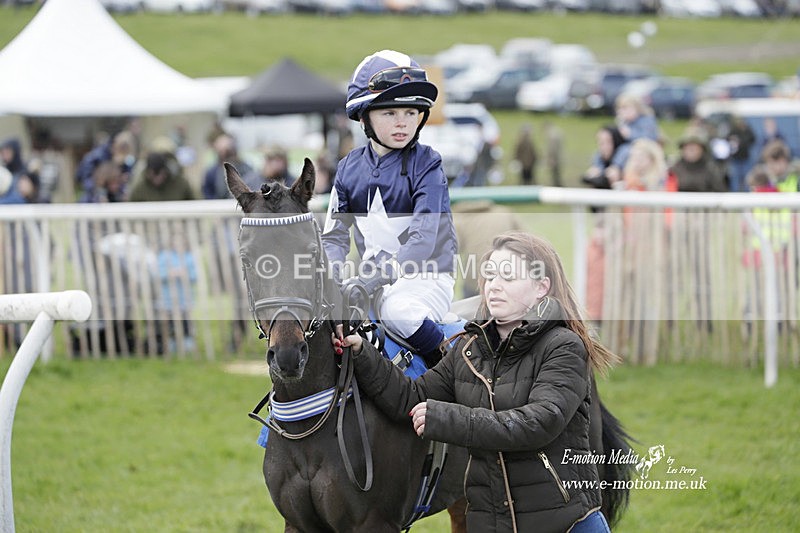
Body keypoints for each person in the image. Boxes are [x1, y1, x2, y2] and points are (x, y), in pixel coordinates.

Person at [337, 231, 620, 533]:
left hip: (565, 524)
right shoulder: (469, 348)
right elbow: (412, 397)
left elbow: (536, 424)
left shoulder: (563, 346)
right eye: (490, 276)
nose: (494, 286)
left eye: (508, 277)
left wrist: (446, 419)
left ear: (541, 287)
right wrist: (362, 353)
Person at [323, 49, 458, 367]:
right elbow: (334, 237)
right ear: (364, 116)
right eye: (390, 113)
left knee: (398, 312)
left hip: (426, 277)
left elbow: (423, 239)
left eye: (411, 113)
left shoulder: (428, 164)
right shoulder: (347, 168)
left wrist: (378, 277)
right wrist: (336, 279)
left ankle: (449, 371)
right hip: (370, 280)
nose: (403, 123)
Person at [668, 128, 727, 193]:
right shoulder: (675, 168)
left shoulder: (711, 169)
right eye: (688, 147)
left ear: (702, 150)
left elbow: (719, 191)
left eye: (695, 147)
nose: (691, 150)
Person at [201, 132, 258, 199]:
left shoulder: (246, 169)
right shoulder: (211, 173)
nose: (226, 154)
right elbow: (208, 195)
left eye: (228, 150)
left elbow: (253, 188)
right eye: (222, 151)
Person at [128, 152, 195, 202]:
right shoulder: (140, 188)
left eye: (159, 173)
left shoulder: (180, 184)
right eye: (153, 174)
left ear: (165, 171)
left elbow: (195, 201)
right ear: (147, 173)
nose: (157, 178)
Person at [543, 120, 563, 187]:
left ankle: (557, 187)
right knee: (556, 174)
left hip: (555, 159)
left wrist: (551, 159)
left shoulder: (552, 135)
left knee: (555, 174)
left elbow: (552, 149)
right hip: (558, 158)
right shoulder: (557, 133)